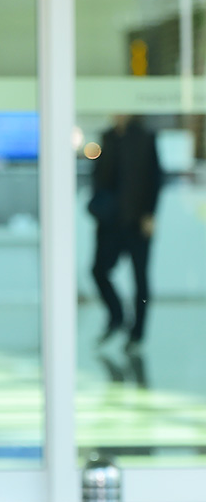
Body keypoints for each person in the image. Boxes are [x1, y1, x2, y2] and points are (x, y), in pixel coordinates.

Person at [89, 114, 162, 353]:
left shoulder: (144, 137)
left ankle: (137, 333)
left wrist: (150, 214)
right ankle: (116, 316)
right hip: (111, 222)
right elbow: (100, 177)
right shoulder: (108, 138)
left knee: (140, 279)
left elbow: (155, 178)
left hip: (136, 221)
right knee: (98, 270)